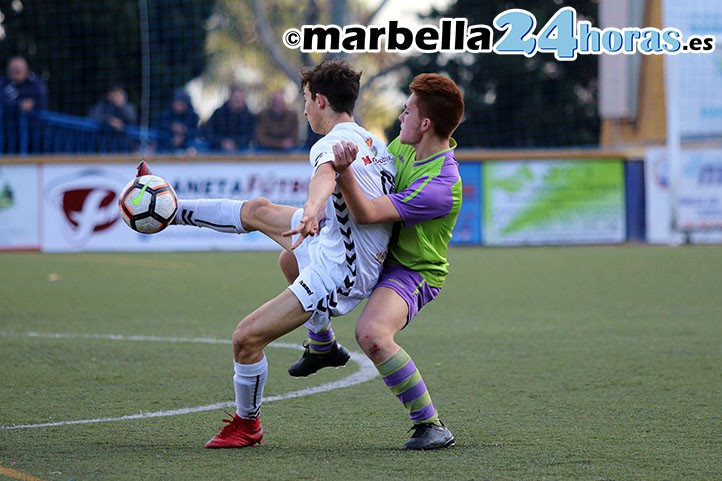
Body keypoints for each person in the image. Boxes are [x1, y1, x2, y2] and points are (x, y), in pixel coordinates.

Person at [153, 59, 396, 448]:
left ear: (319, 100)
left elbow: (326, 174)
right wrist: (317, 214)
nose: (303, 109)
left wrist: (313, 210)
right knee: (258, 212)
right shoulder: (375, 143)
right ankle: (174, 209)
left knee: (246, 338)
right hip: (335, 237)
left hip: (342, 271)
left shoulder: (330, 143)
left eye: (305, 100)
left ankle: (247, 424)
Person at [283, 73, 464, 450]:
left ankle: (430, 424)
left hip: (413, 270)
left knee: (372, 335)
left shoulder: (440, 187)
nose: (401, 116)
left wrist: (343, 171)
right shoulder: (403, 147)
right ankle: (321, 344)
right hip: (377, 254)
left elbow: (366, 213)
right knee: (291, 259)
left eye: (407, 110)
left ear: (425, 123)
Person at [0, 56, 48, 153]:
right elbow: (3, 100)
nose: (16, 72)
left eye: (19, 70)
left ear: (26, 71)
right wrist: (19, 105)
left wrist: (31, 104)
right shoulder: (3, 83)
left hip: (33, 137)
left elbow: (41, 100)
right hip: (6, 136)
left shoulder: (35, 83)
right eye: (13, 70)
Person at [202, 84, 257, 152]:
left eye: (240, 98)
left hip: (242, 150)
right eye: (236, 98)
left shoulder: (249, 116)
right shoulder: (218, 113)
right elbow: (207, 132)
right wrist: (223, 142)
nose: (238, 100)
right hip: (218, 149)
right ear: (230, 98)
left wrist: (235, 143)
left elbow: (252, 135)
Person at [155, 88, 200, 153]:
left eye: (180, 103)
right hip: (166, 144)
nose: (178, 105)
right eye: (176, 102)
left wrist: (184, 132)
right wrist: (171, 127)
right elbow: (158, 129)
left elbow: (196, 132)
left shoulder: (193, 116)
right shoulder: (166, 115)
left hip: (187, 145)